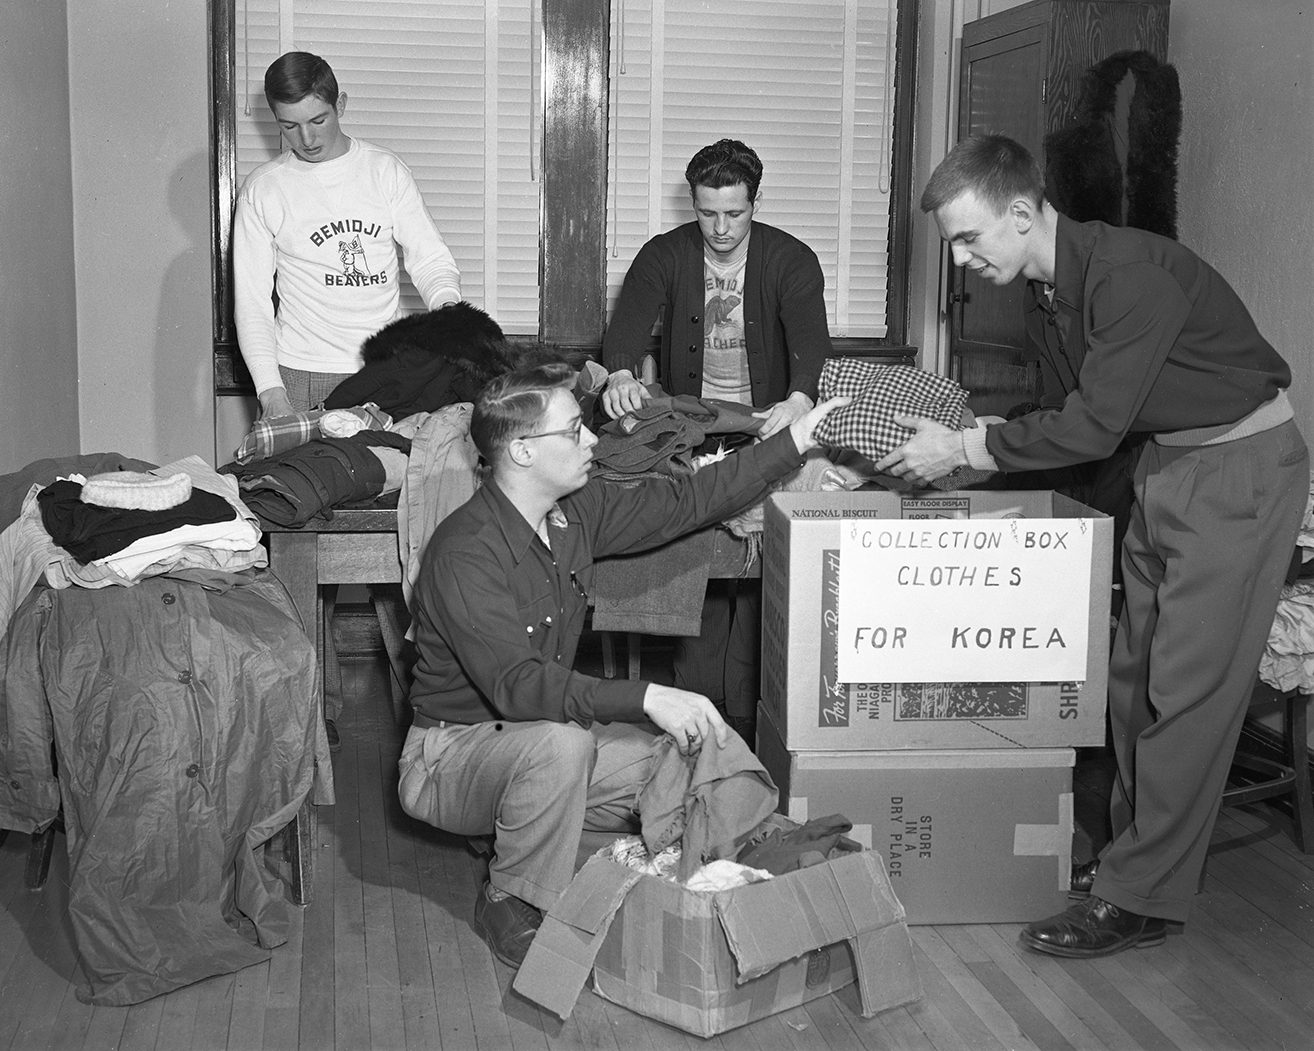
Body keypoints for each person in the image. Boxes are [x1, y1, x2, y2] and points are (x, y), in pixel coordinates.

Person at [877, 134, 1308, 959]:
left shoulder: (1128, 276)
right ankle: (1131, 864)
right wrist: (975, 443)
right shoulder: (1054, 292)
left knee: (1189, 691)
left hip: (1239, 469)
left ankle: (1139, 896)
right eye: (953, 245)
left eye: (970, 239)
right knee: (1133, 679)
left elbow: (1094, 422)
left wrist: (966, 450)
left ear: (1023, 212)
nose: (962, 260)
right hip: (1168, 464)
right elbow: (1071, 409)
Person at [397, 361, 845, 968]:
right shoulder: (464, 552)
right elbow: (519, 689)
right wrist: (647, 696)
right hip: (450, 757)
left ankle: (749, 851)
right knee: (562, 748)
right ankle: (510, 895)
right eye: (574, 430)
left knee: (693, 741)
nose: (590, 441)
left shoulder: (576, 512)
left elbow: (691, 501)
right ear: (523, 451)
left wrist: (795, 441)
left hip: (539, 735)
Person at [600, 139, 834, 739]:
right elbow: (626, 329)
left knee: (761, 569)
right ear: (694, 203)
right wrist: (622, 370)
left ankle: (751, 715)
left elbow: (811, 343)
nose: (722, 228)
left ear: (754, 202)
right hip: (698, 427)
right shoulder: (665, 255)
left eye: (735, 213)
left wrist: (800, 398)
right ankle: (700, 717)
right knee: (699, 558)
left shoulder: (792, 259)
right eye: (708, 213)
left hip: (767, 423)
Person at [233, 51, 462, 419]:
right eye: (288, 126)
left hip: (384, 368)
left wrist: (450, 315)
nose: (306, 138)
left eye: (318, 120)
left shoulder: (384, 171)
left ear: (340, 104)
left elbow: (430, 259)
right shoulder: (263, 189)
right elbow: (252, 303)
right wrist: (270, 392)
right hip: (300, 374)